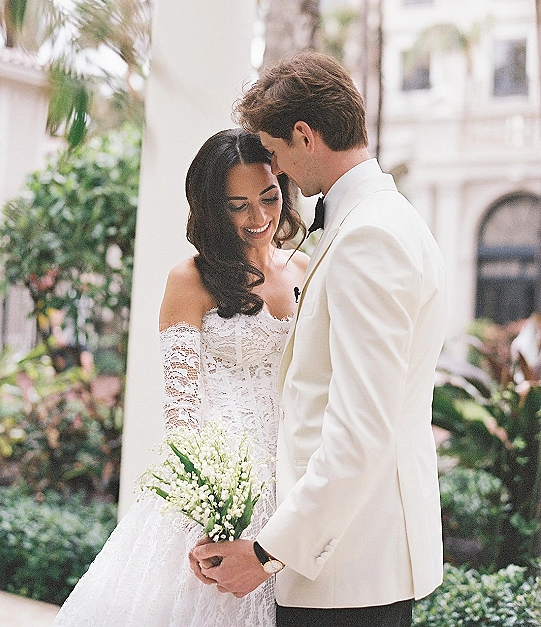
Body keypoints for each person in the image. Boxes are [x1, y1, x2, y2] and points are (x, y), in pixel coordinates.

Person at [191, 52, 448, 627]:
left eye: (276, 152)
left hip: (349, 569)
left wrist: (265, 552)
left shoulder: (369, 237)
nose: (276, 171)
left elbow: (361, 427)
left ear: (304, 135)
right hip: (352, 560)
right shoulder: (387, 219)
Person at [52, 128, 308, 627]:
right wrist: (209, 505)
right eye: (238, 205)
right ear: (213, 209)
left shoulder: (304, 268)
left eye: (269, 197)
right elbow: (181, 410)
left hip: (293, 479)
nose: (259, 218)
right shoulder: (189, 278)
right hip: (221, 488)